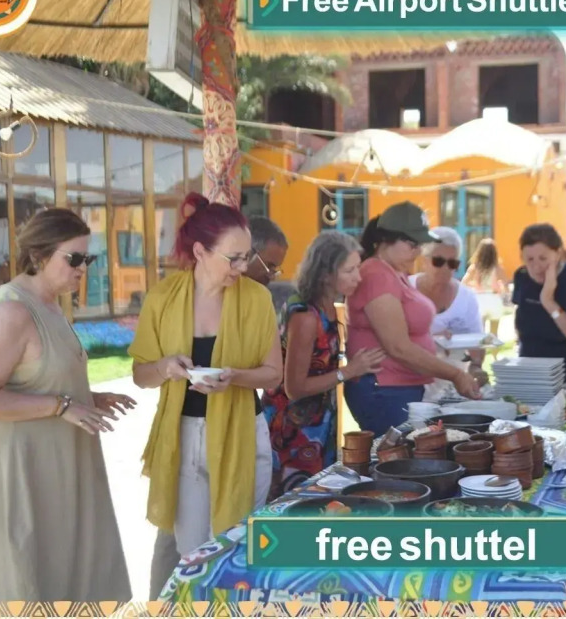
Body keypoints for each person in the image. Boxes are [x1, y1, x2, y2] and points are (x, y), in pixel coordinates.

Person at [0, 208, 134, 601]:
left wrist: (88, 399)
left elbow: (40, 378)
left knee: (83, 575)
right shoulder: (12, 311)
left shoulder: (51, 304)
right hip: (24, 469)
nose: (82, 269)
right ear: (39, 255)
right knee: (34, 582)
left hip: (66, 462)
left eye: (88, 258)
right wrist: (61, 405)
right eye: (74, 258)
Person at [129, 193, 281, 562]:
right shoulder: (162, 298)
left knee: (238, 547)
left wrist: (236, 377)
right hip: (183, 435)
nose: (242, 267)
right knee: (193, 553)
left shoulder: (256, 299)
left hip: (242, 432)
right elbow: (141, 376)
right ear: (200, 252)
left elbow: (273, 375)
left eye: (247, 256)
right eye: (233, 258)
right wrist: (165, 368)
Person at [264, 231, 385, 498]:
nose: (358, 277)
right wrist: (349, 370)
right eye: (349, 270)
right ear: (326, 274)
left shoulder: (329, 307)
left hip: (319, 425)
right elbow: (294, 388)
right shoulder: (306, 316)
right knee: (294, 504)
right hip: (292, 431)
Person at [345, 202, 480, 435]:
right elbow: (398, 347)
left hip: (398, 387)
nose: (417, 251)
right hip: (384, 389)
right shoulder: (377, 274)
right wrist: (456, 374)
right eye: (412, 244)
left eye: (420, 245)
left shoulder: (393, 271)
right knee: (399, 453)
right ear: (386, 239)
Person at [512, 223, 566, 382]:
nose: (536, 266)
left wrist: (549, 302)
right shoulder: (521, 277)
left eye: (543, 258)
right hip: (533, 375)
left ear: (558, 254)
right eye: (529, 259)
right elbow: (521, 317)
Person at [410, 227, 489, 387]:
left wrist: (476, 368)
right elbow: (392, 342)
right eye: (438, 262)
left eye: (452, 263)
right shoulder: (406, 290)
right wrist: (429, 340)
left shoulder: (466, 297)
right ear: (424, 260)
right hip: (411, 380)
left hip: (453, 385)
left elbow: (476, 342)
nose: (445, 268)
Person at [462, 237, 509, 337]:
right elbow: (506, 284)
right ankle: (493, 347)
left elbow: (464, 283)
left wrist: (474, 285)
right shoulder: (498, 268)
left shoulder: (475, 267)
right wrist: (502, 290)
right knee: (494, 333)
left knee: (480, 332)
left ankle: (482, 347)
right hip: (494, 299)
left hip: (480, 299)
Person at [244, 215, 288, 286]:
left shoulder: (262, 292)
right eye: (269, 266)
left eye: (275, 269)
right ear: (248, 253)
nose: (272, 277)